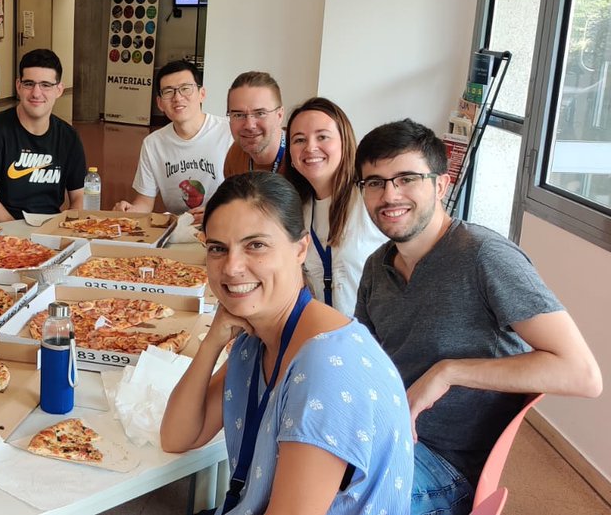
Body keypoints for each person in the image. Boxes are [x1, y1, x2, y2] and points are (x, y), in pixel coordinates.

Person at [353, 119, 602, 515]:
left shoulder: (484, 256)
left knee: (326, 500)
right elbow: (366, 364)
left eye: (406, 178)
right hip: (388, 437)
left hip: (447, 465)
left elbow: (582, 374)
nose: (390, 194)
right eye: (374, 183)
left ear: (440, 185)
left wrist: (448, 371)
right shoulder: (376, 267)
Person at [161, 172, 412, 515]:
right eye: (218, 249)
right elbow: (177, 437)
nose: (232, 268)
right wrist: (212, 342)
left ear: (300, 249)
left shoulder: (327, 365)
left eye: (256, 245)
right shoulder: (255, 340)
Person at [281, 97, 385, 315]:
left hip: (374, 339)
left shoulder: (372, 197)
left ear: (344, 143)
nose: (310, 147)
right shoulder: (297, 207)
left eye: (322, 137)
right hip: (324, 335)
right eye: (299, 140)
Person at [0, 48, 86, 224]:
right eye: (29, 84)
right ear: (18, 86)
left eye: (45, 85)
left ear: (59, 90)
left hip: (48, 230)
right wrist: (24, 239)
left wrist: (64, 229)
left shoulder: (69, 137)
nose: (36, 93)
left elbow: (79, 196)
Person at [113, 59, 233, 223]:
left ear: (202, 94)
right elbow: (145, 202)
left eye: (185, 89)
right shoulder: (153, 144)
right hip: (178, 227)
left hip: (223, 223)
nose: (178, 97)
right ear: (160, 103)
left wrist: (216, 213)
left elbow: (246, 198)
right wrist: (129, 212)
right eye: (168, 92)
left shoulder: (228, 132)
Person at [222, 71, 288, 177]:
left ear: (279, 116)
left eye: (260, 113)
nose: (249, 125)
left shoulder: (300, 158)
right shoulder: (236, 154)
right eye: (239, 115)